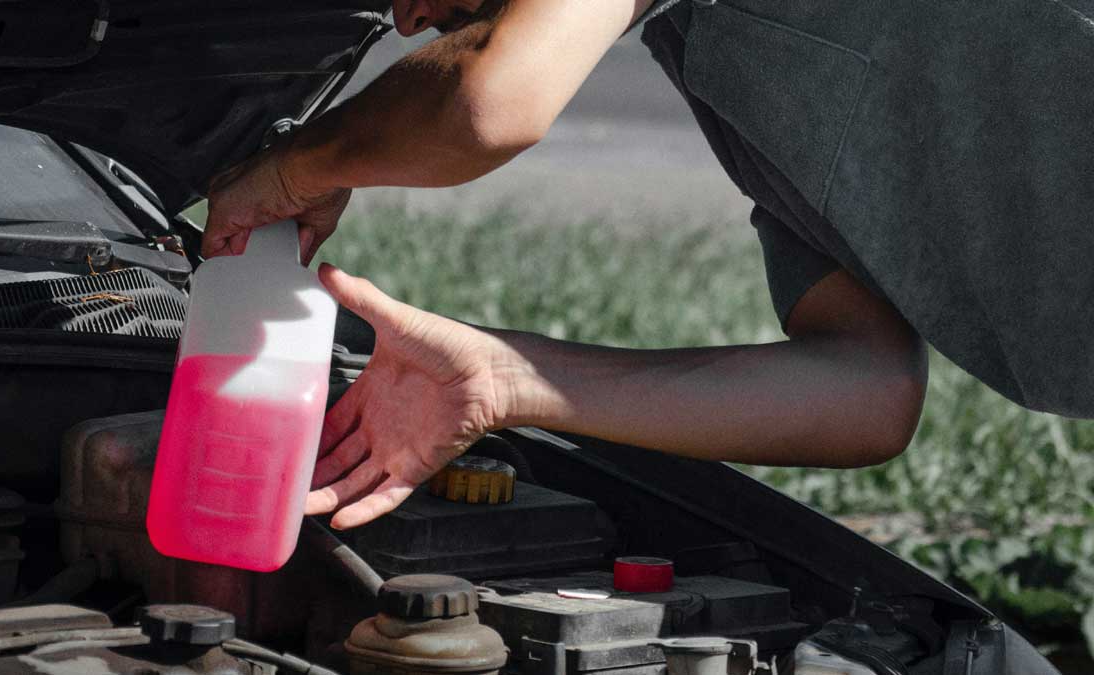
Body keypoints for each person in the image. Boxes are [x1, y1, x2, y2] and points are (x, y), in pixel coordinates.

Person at [202, 0, 1094, 530]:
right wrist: (507, 377)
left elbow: (489, 104)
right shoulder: (718, 59)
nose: (406, 19)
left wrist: (298, 166)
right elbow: (864, 389)